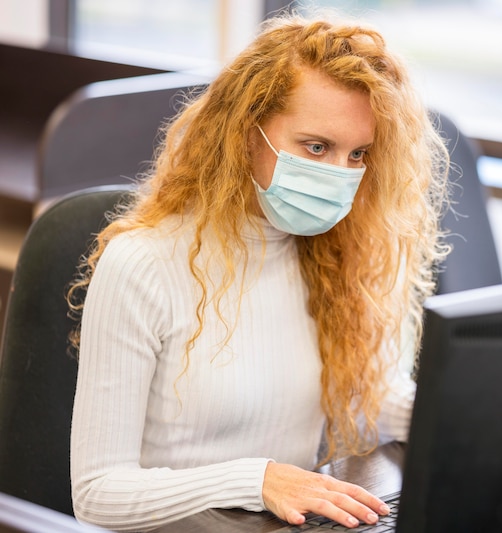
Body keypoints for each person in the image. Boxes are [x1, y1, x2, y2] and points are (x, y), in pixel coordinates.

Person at [67, 9, 449, 532]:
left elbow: (374, 400)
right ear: (246, 133)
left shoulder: (338, 256)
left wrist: (472, 417)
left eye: (358, 154)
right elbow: (97, 493)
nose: (339, 176)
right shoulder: (144, 264)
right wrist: (258, 481)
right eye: (316, 147)